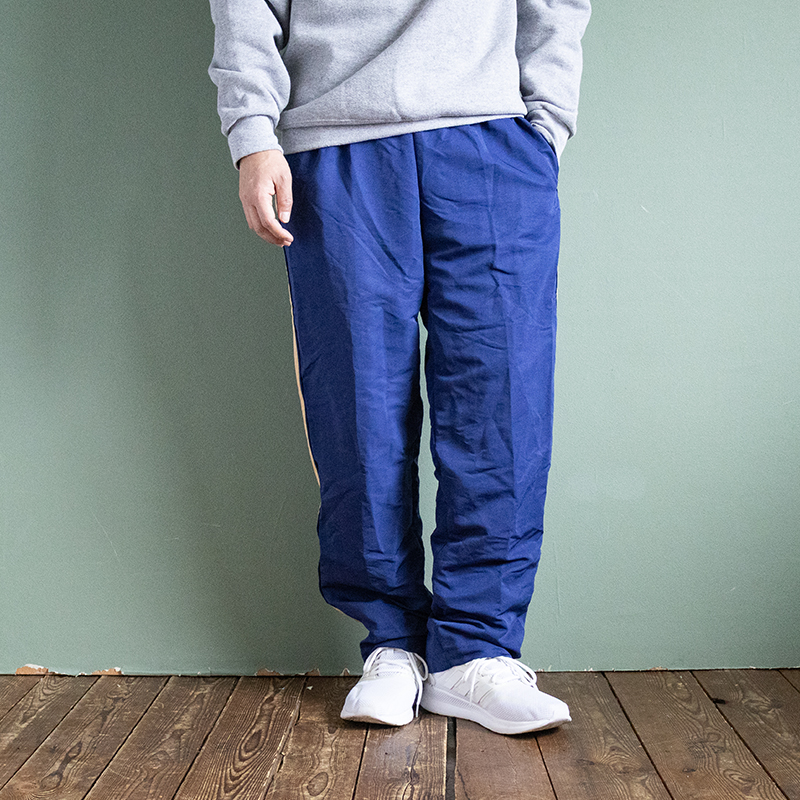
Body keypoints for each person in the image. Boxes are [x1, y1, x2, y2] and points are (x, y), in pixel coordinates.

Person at [209, 0, 591, 735]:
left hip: (493, 136)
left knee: (502, 408)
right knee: (355, 409)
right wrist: (252, 134)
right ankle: (390, 645)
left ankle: (477, 652)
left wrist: (547, 123)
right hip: (334, 144)